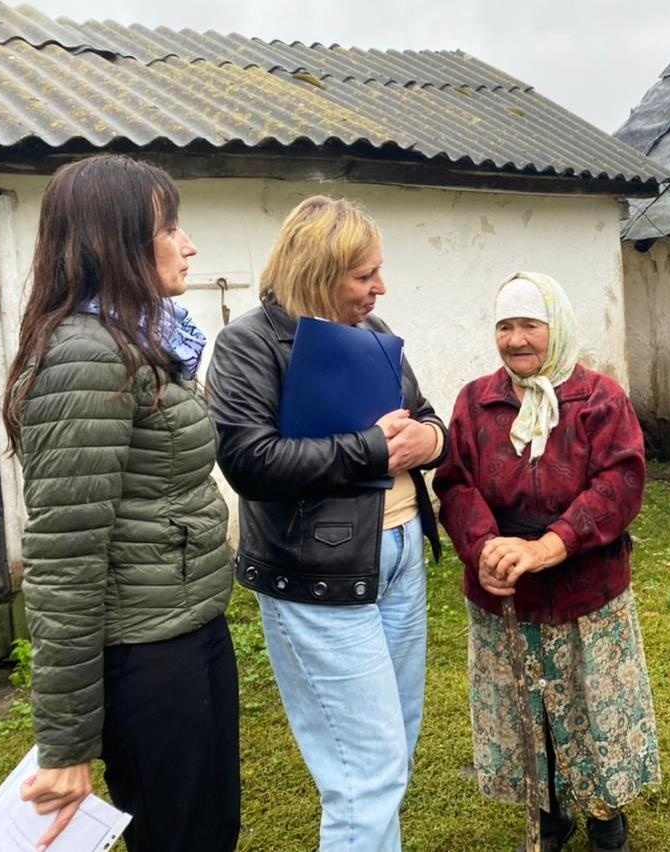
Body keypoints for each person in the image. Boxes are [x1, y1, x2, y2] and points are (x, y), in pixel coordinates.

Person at [5, 154, 238, 851]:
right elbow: (65, 561)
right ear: (118, 243)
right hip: (146, 659)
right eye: (170, 227)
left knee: (209, 830)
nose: (189, 244)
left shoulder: (151, 341)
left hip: (190, 626)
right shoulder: (87, 355)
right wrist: (67, 744)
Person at [206, 196, 447, 849]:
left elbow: (426, 418)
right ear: (317, 269)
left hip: (396, 561)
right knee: (362, 775)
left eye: (379, 271)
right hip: (316, 577)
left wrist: (431, 442)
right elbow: (248, 461)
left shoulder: (375, 334)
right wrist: (371, 448)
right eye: (364, 275)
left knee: (389, 757)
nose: (380, 286)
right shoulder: (249, 343)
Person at [433, 272, 660, 852]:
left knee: (593, 708)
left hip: (586, 587)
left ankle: (606, 817)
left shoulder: (600, 398)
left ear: (555, 328)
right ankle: (550, 812)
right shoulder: (476, 402)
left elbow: (621, 483)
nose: (515, 340)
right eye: (504, 327)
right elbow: (456, 484)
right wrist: (484, 548)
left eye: (529, 325)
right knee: (526, 709)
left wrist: (550, 544)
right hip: (507, 591)